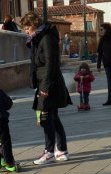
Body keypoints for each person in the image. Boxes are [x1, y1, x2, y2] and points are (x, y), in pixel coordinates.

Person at [21, 12, 72, 165]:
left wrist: (45, 86)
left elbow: (51, 63)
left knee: (46, 118)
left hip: (49, 83)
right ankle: (60, 150)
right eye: (24, 28)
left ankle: (50, 151)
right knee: (52, 118)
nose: (26, 31)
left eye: (27, 27)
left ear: (35, 25)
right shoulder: (38, 38)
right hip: (46, 81)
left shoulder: (46, 38)